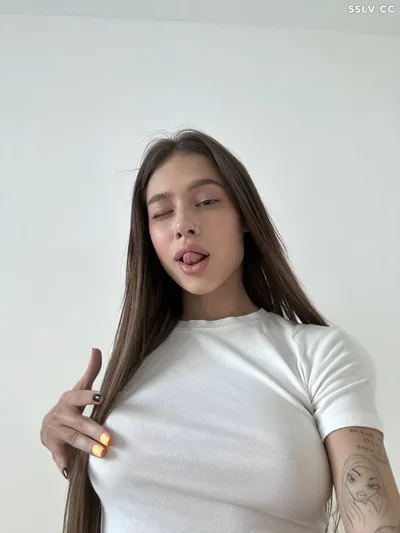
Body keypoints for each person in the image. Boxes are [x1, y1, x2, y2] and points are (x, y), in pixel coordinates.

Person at [40, 129, 400, 533]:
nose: (183, 225)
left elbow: (374, 514)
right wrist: (67, 448)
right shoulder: (129, 368)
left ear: (244, 216)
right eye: (162, 213)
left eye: (206, 202)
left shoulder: (320, 357)